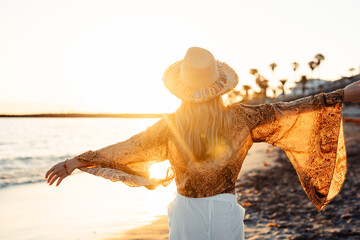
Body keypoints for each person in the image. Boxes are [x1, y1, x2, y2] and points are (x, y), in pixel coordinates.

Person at [45, 47, 360, 240]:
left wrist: (75, 162)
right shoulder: (243, 118)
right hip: (225, 210)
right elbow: (300, 107)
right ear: (218, 86)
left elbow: (125, 149)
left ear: (183, 88)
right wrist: (343, 94)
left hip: (186, 213)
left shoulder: (170, 127)